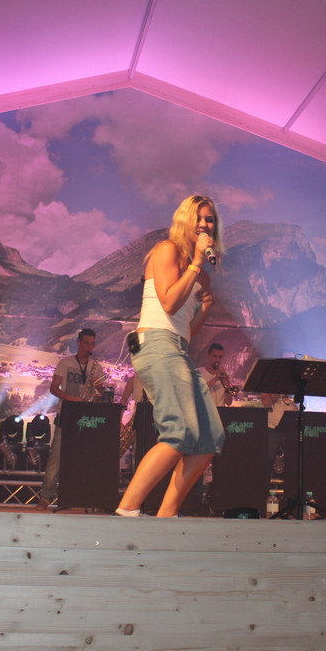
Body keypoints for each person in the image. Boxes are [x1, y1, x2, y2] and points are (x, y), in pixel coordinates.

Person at [115, 194, 225, 518]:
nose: (204, 224)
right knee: (179, 432)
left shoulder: (200, 275)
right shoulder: (166, 250)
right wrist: (195, 264)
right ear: (184, 220)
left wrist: (204, 309)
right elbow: (168, 303)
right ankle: (126, 511)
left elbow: (186, 327)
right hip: (156, 344)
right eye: (199, 218)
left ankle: (166, 516)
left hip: (177, 347)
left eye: (210, 220)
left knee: (210, 438)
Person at [37, 328, 105, 508]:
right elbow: (53, 388)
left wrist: (99, 390)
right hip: (67, 414)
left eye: (92, 344)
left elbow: (101, 393)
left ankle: (79, 497)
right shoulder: (65, 362)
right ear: (79, 343)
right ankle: (45, 497)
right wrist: (70, 397)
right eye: (86, 343)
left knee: (83, 459)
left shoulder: (96, 367)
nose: (89, 347)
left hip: (87, 418)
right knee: (56, 458)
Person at [198, 342, 235, 407]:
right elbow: (198, 393)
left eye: (220, 357)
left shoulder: (226, 375)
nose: (217, 359)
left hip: (221, 412)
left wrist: (227, 387)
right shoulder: (198, 372)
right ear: (208, 355)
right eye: (214, 356)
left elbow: (228, 403)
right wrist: (215, 379)